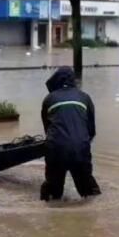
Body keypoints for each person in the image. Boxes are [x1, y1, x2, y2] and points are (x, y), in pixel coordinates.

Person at [40, 66, 102, 201]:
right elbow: (91, 130)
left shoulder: (49, 99)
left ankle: (49, 217)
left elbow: (47, 129)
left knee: (52, 195)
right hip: (80, 148)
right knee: (90, 194)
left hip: (56, 149)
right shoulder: (85, 97)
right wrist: (80, 144)